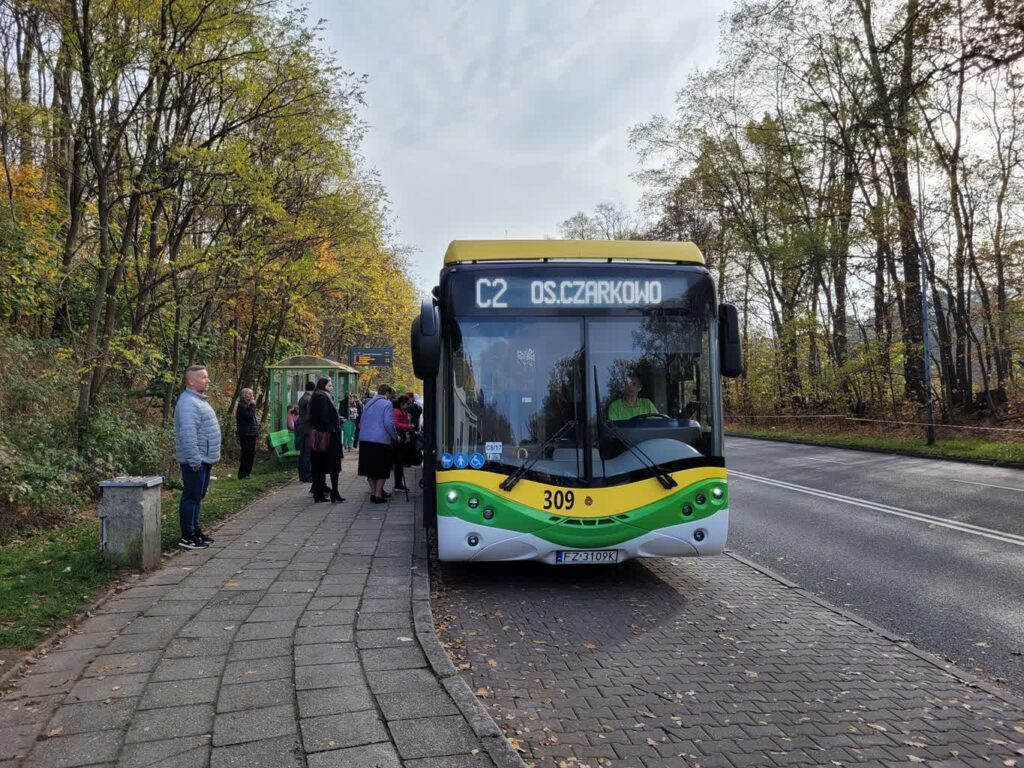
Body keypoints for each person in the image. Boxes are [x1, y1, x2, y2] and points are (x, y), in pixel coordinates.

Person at [174, 365, 221, 550]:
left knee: (197, 496)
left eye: (207, 377)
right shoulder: (188, 403)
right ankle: (187, 535)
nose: (207, 380)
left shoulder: (198, 400)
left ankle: (195, 530)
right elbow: (188, 434)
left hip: (204, 458)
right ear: (191, 381)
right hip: (196, 460)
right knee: (191, 496)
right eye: (203, 377)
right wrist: (194, 460)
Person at [358, 384, 398, 503]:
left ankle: (373, 492)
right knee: (381, 468)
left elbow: (361, 421)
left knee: (369, 468)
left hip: (365, 439)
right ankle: (378, 494)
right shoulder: (387, 404)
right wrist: (394, 436)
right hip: (380, 440)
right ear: (387, 393)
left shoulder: (368, 403)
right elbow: (388, 423)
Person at [309, 377, 345, 503]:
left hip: (320, 436)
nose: (332, 387)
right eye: (330, 385)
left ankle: (319, 494)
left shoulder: (318, 395)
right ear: (323, 386)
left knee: (319, 466)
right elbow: (324, 417)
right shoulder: (322, 397)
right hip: (327, 437)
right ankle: (333, 492)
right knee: (333, 465)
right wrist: (333, 429)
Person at [235, 388, 260, 480]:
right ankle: (242, 475)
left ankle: (247, 474)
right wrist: (253, 405)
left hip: (251, 433)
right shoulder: (242, 405)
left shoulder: (248, 405)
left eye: (252, 393)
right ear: (244, 395)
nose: (252, 395)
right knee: (246, 454)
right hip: (245, 434)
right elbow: (249, 416)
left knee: (251, 455)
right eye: (250, 394)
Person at [392, 394, 415, 492]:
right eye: (407, 404)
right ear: (402, 403)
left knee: (399, 463)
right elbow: (395, 424)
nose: (408, 406)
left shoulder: (401, 411)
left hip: (401, 438)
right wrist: (408, 426)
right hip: (399, 440)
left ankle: (398, 483)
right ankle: (398, 484)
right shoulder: (397, 411)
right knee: (399, 463)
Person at [295, 381, 315, 483]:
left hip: (302, 428)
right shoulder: (308, 399)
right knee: (307, 453)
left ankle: (303, 474)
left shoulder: (303, 397)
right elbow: (309, 416)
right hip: (307, 429)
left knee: (303, 453)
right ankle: (306, 475)